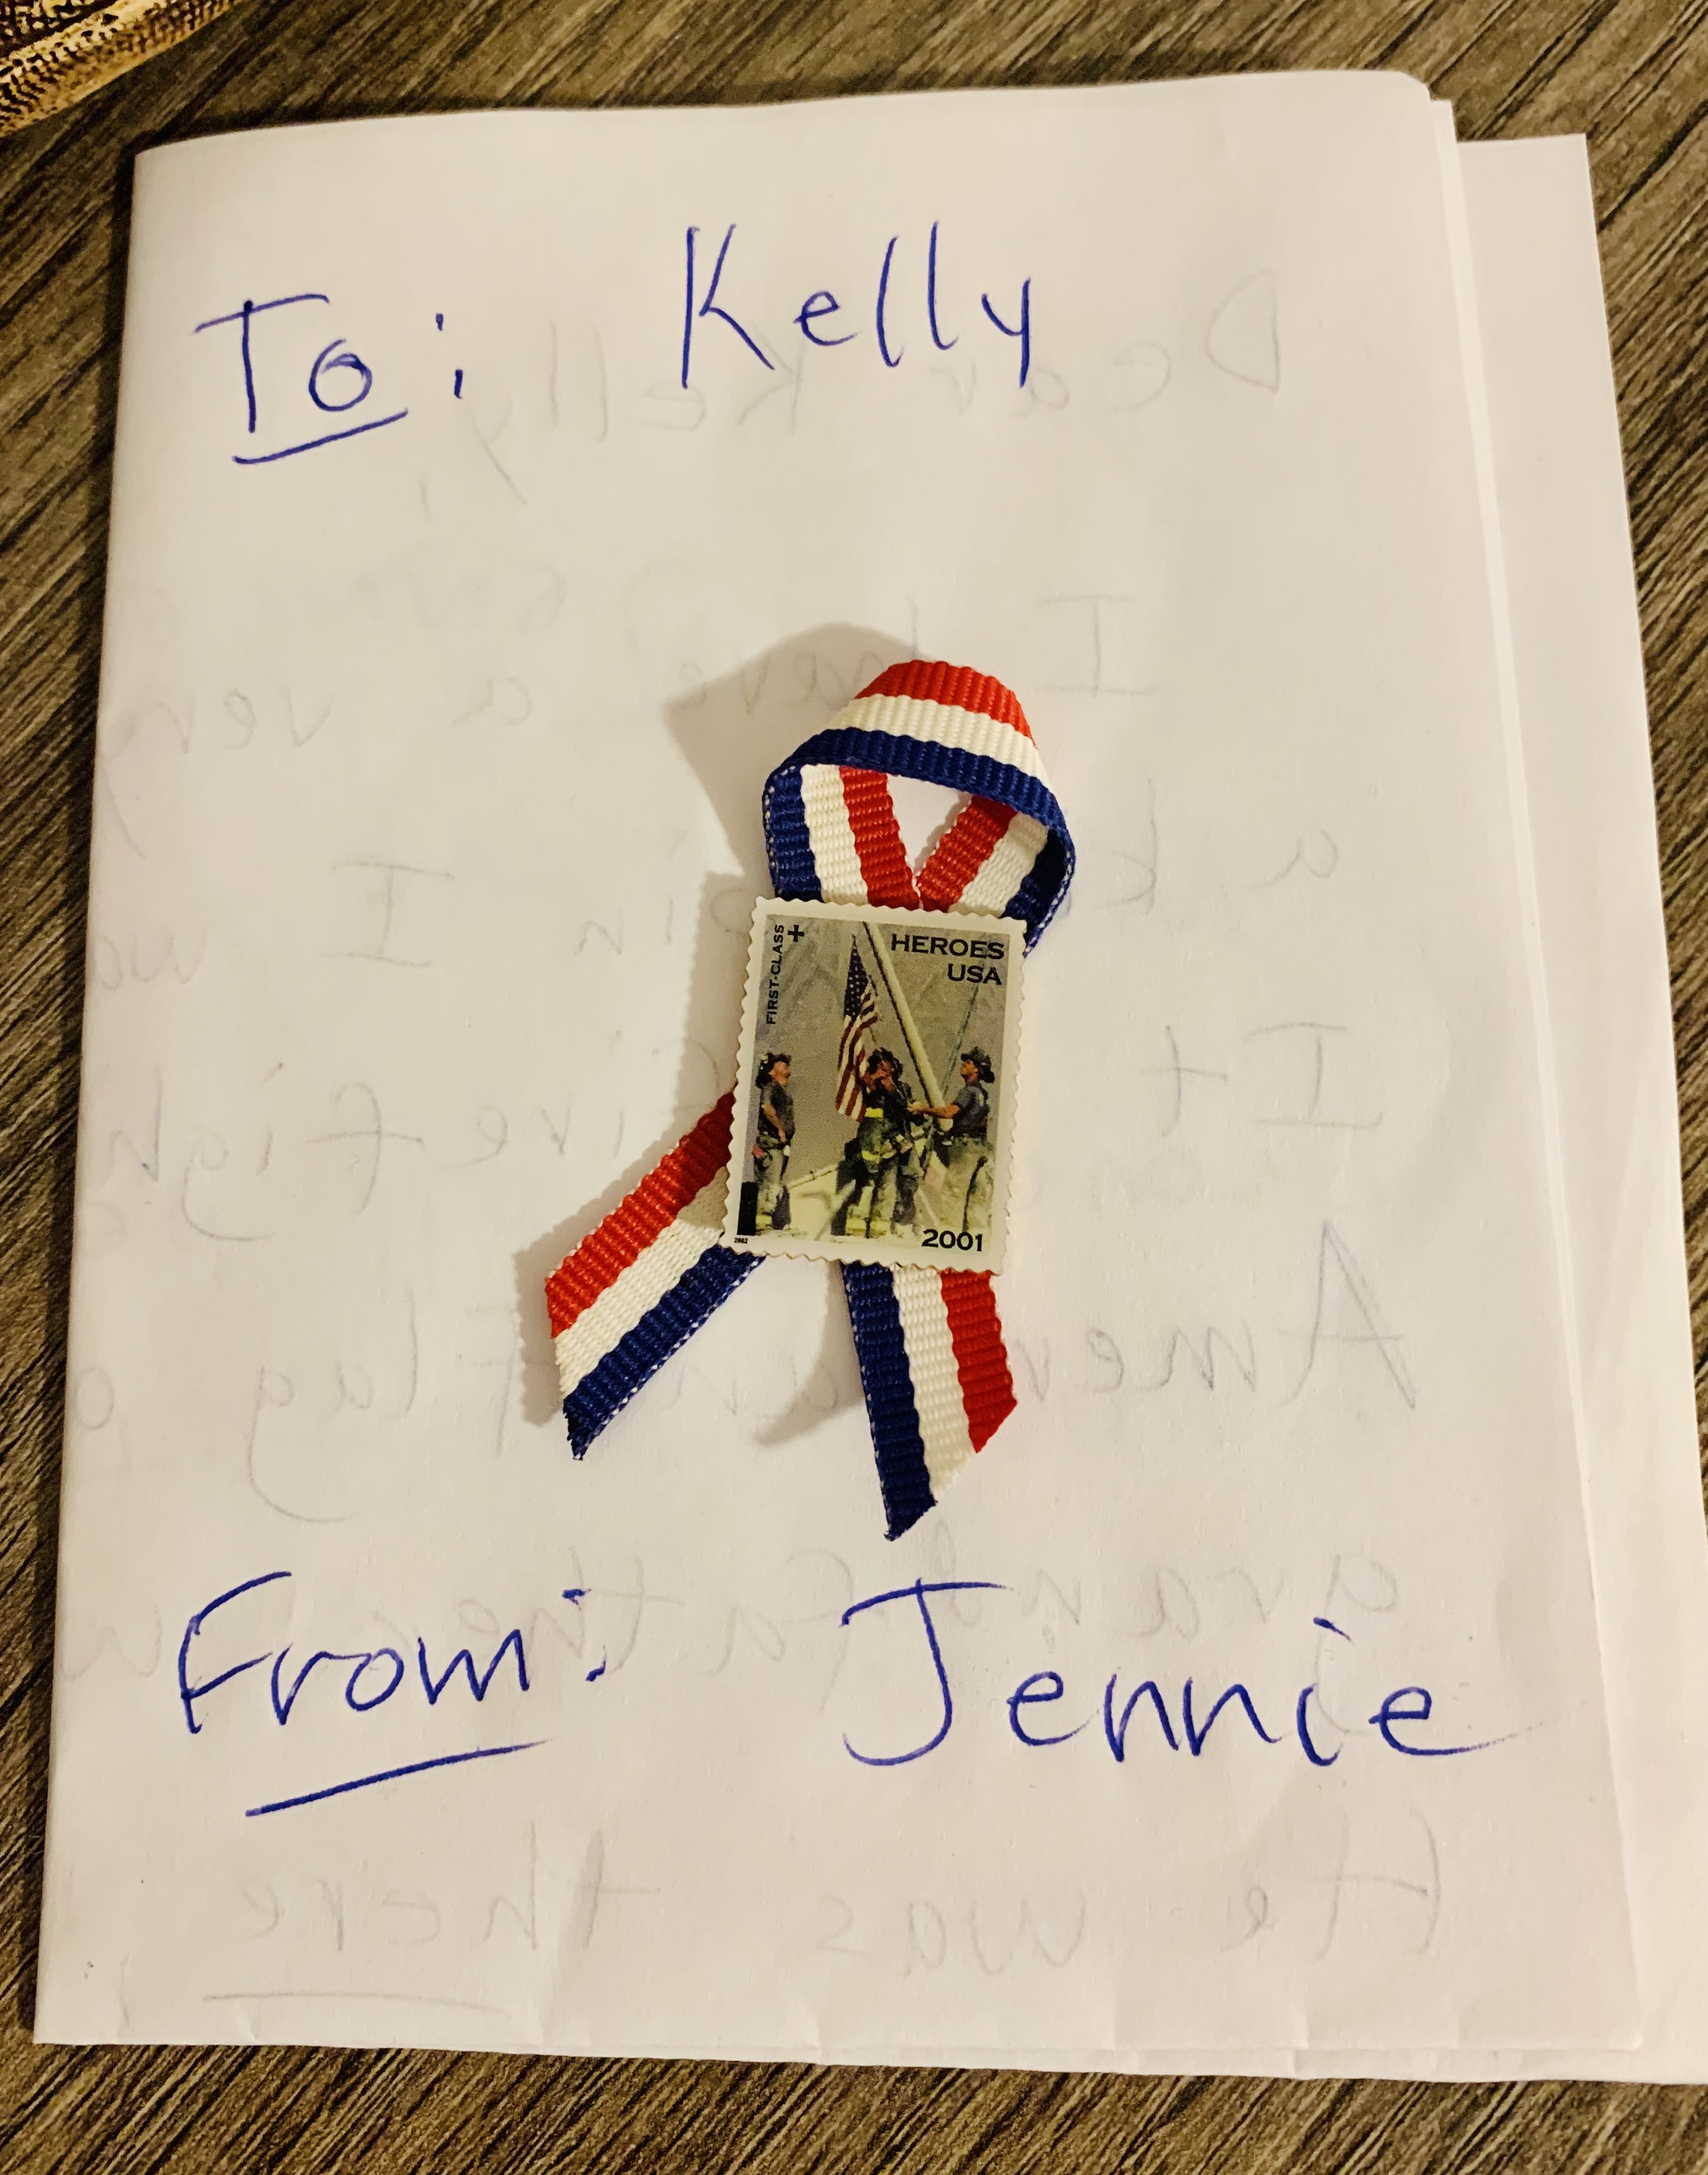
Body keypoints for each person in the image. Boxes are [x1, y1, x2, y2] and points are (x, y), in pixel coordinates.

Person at [912, 1046, 996, 1237]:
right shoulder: (984, 1095)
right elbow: (976, 1122)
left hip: (965, 1148)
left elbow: (948, 1113)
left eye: (968, 1062)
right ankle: (978, 1237)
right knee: (976, 1196)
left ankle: (949, 1237)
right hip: (982, 1148)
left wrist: (922, 1109)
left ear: (976, 1070)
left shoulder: (968, 1092)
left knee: (954, 1193)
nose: (963, 1064)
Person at [834, 1048, 912, 1239]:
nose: (880, 1067)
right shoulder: (870, 1086)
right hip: (870, 1147)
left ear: (893, 1069)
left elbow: (904, 1105)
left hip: (891, 1148)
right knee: (866, 1186)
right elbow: (865, 1082)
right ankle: (855, 1228)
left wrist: (889, 1084)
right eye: (877, 1064)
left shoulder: (900, 1089)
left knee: (887, 1189)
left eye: (884, 1064)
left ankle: (879, 1231)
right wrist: (875, 1076)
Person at [753, 1052, 793, 1231]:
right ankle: (763, 1225)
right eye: (781, 1064)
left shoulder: (780, 1090)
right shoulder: (771, 1087)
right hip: (772, 1143)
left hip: (779, 1145)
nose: (786, 1065)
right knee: (771, 1185)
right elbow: (767, 1109)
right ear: (771, 1071)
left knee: (775, 1184)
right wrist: (780, 1129)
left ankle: (771, 1223)